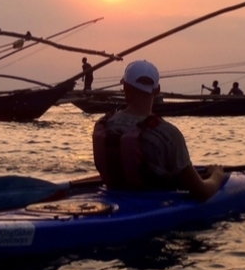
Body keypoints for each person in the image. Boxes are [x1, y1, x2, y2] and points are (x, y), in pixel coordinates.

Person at [93, 60, 225, 202]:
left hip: (111, 200)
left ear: (124, 86)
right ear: (157, 90)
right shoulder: (168, 133)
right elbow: (202, 193)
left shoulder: (103, 124)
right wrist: (217, 175)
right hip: (153, 208)